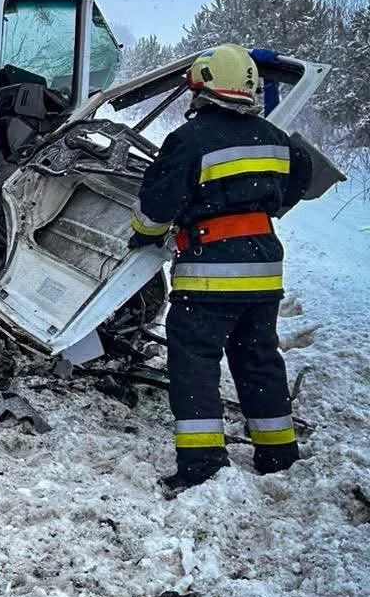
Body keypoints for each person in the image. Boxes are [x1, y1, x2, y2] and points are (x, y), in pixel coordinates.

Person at [127, 43, 312, 493]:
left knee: (195, 362)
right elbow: (298, 182)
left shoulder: (190, 139)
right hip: (263, 270)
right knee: (258, 358)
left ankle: (202, 463)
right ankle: (278, 453)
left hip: (210, 274)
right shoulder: (275, 137)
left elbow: (156, 208)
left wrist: (145, 234)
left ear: (202, 88)